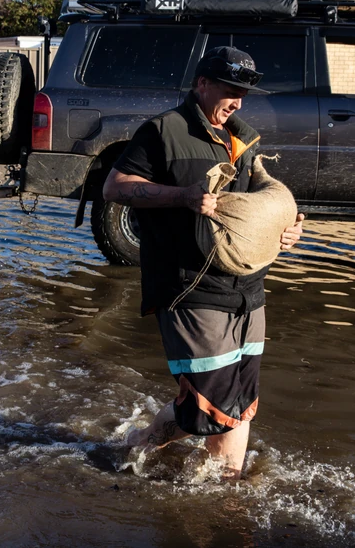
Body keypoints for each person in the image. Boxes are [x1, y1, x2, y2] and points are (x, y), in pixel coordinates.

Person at [103, 46, 305, 479]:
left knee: (239, 402)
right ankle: (150, 452)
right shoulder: (163, 131)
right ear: (202, 84)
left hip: (248, 290)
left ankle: (213, 483)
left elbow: (252, 209)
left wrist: (285, 230)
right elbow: (115, 188)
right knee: (214, 402)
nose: (237, 101)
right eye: (230, 90)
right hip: (189, 286)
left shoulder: (243, 140)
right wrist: (181, 196)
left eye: (244, 94)